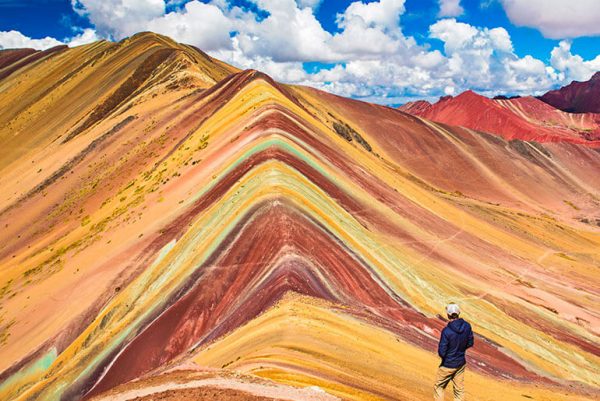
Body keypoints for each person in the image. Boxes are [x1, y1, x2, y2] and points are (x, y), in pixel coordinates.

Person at [434, 303, 474, 401]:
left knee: (439, 386)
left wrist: (448, 358)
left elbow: (442, 351)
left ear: (448, 315)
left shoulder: (447, 331)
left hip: (448, 365)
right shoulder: (467, 326)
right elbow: (470, 342)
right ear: (458, 313)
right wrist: (460, 350)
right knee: (459, 390)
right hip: (460, 363)